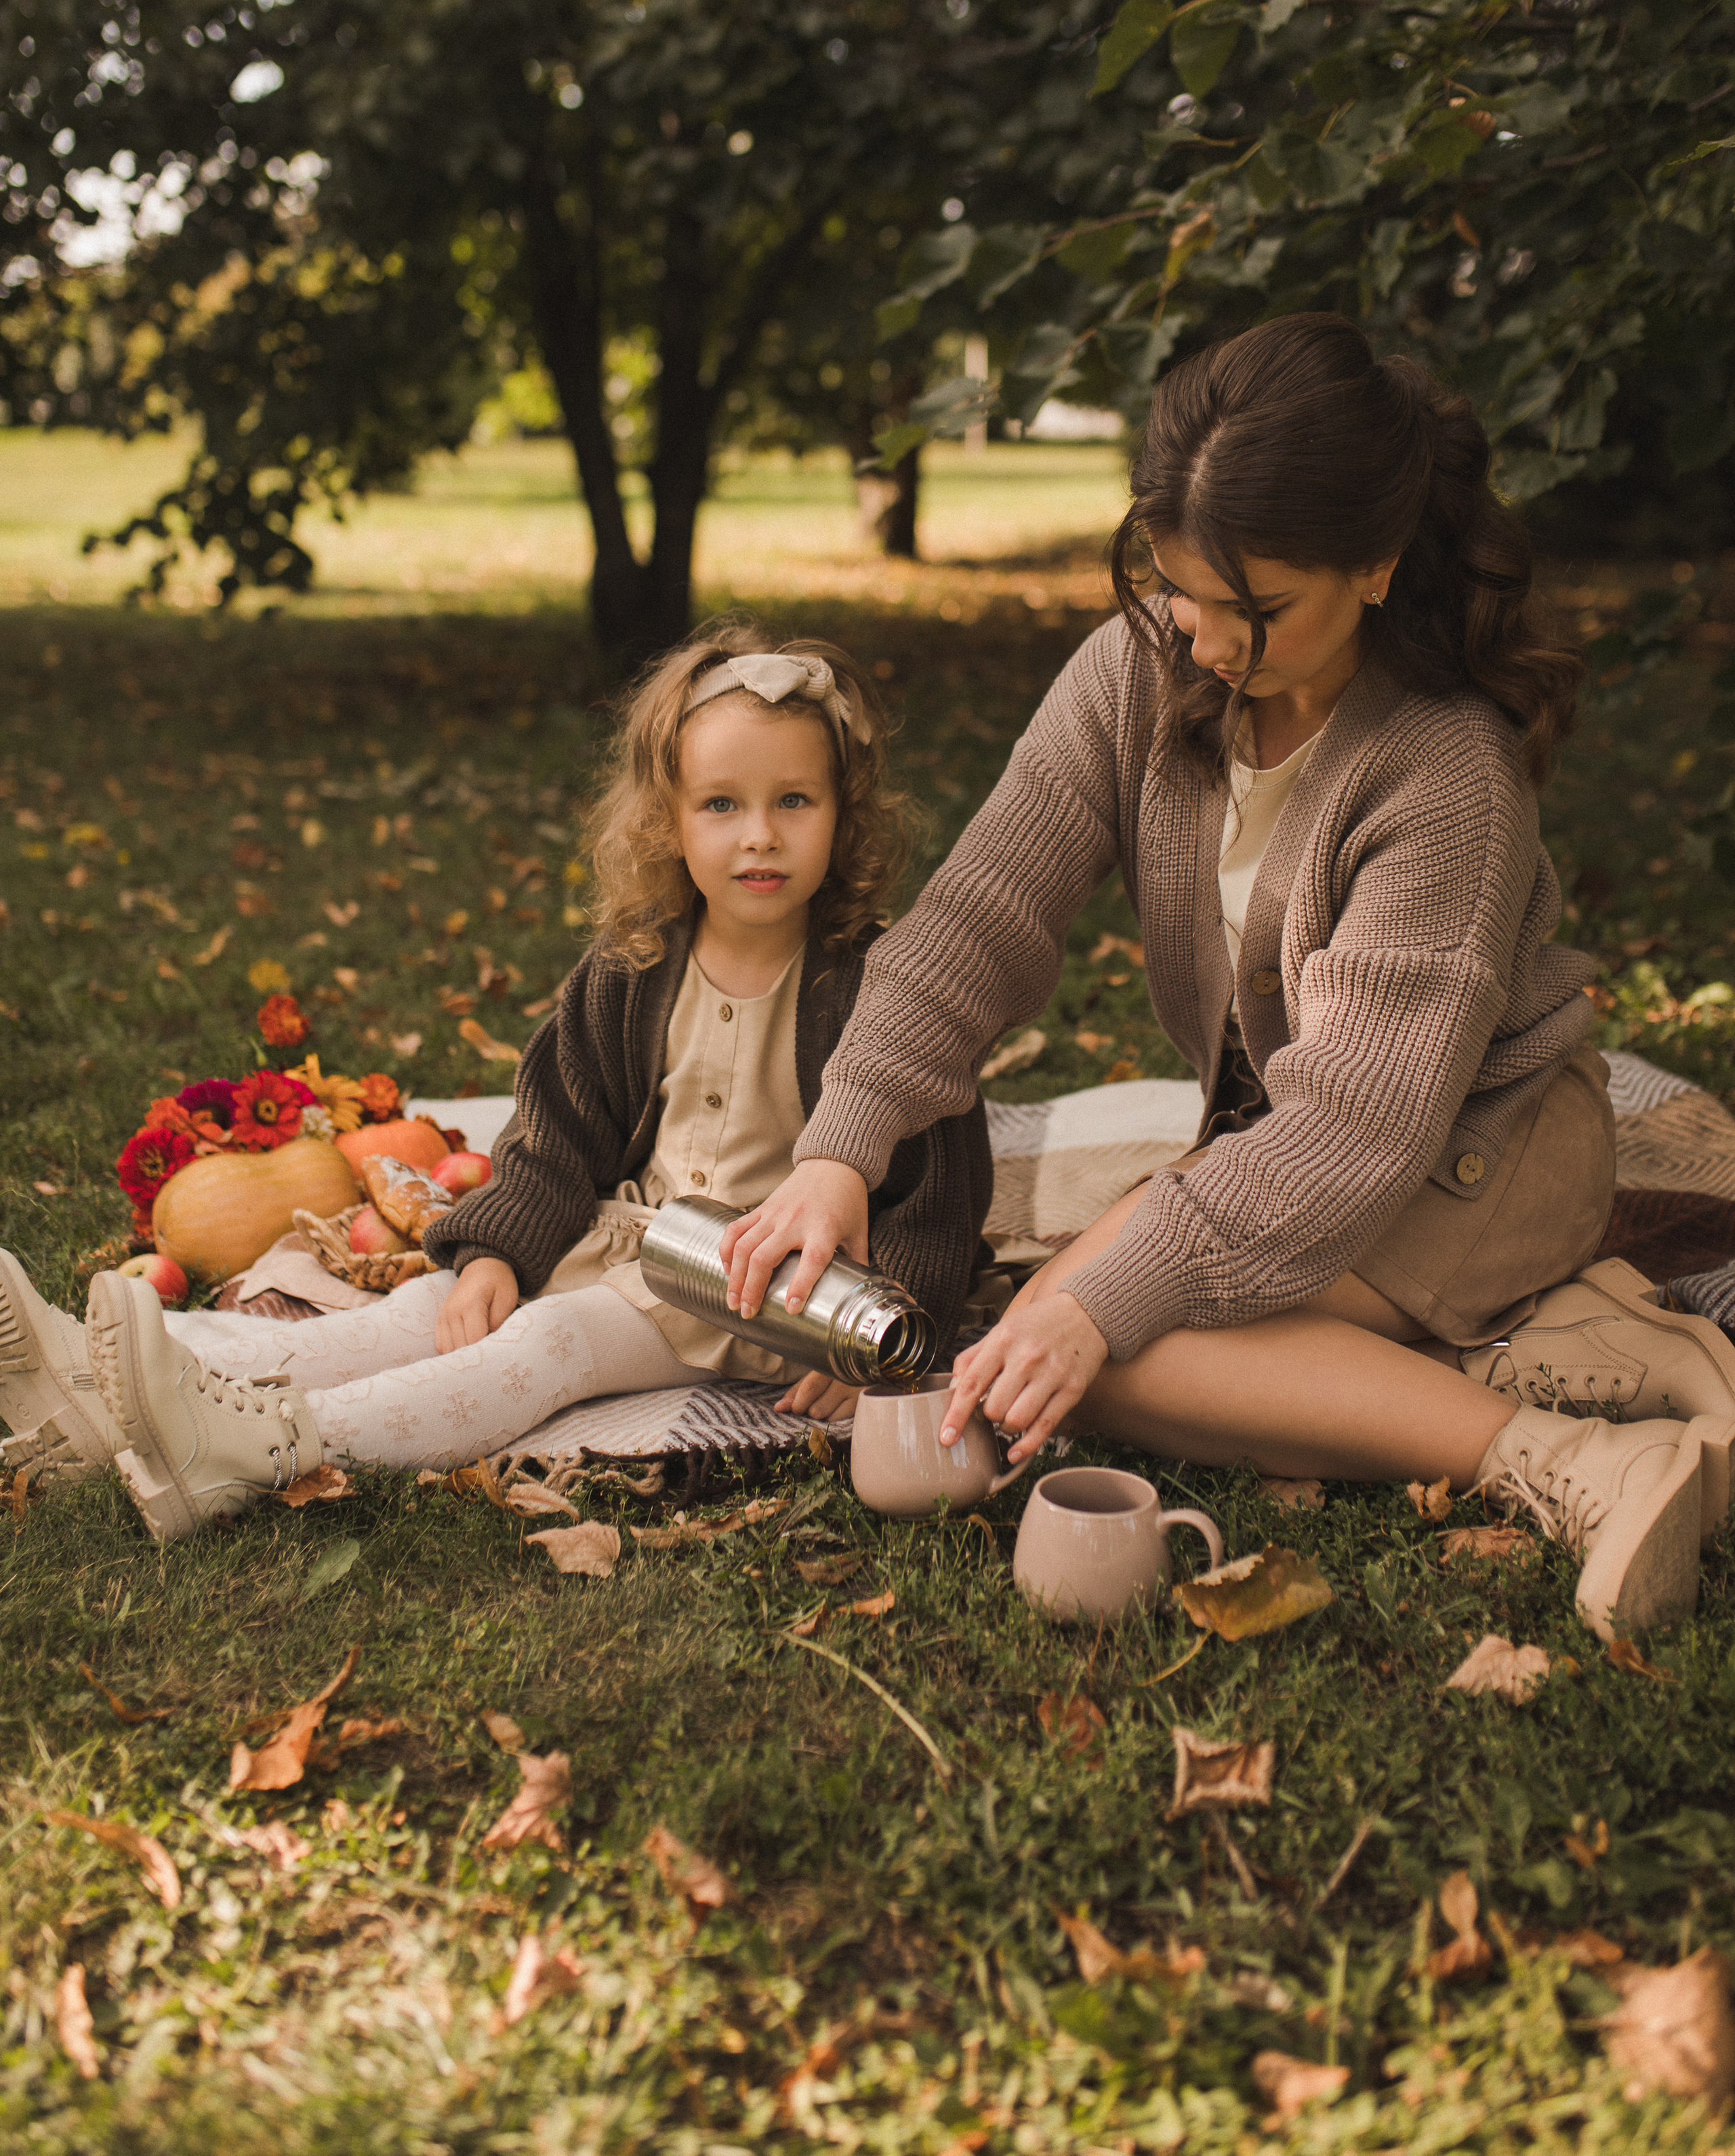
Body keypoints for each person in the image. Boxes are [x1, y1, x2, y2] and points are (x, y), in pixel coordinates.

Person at [722, 314, 1735, 1641]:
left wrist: (1102, 1295)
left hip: (1471, 1163)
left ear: (1373, 566)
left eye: (1251, 609)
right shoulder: (1139, 670)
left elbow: (1351, 1127)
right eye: (1178, 584)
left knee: (1108, 1347)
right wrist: (838, 1148)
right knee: (1055, 1327)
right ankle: (1547, 1352)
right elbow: (981, 915)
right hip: (1294, 1156)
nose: (1199, 638)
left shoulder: (1446, 777)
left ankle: (1576, 1461)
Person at [0, 628, 990, 1540]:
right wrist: (496, 1258)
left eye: (794, 802)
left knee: (545, 1347)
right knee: (416, 1316)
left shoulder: (884, 988)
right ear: (670, 819)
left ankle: (260, 1448)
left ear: (843, 815)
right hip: (635, 1239)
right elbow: (555, 1134)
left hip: (762, 1298)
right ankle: (94, 1380)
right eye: (722, 805)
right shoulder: (635, 968)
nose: (760, 836)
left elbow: (940, 1190)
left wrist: (877, 1339)